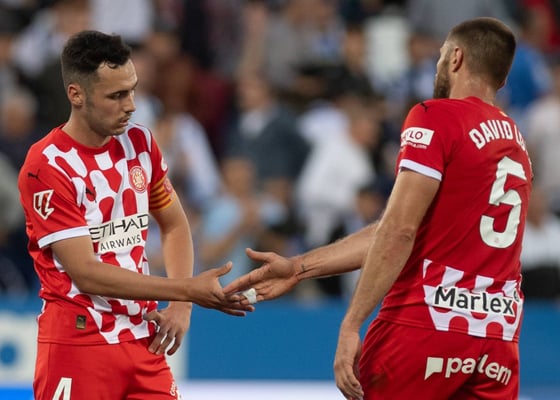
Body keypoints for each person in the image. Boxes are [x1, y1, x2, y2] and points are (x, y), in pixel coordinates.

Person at [225, 17, 532, 399]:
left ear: (456, 58)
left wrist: (351, 324)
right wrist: (300, 268)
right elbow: (401, 228)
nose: (437, 65)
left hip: (425, 322)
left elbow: (399, 229)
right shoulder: (516, 143)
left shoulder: (435, 116)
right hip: (497, 339)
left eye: (440, 56)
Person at [17, 30, 251, 400]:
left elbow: (174, 225)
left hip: (143, 339)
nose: (131, 106)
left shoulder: (139, 142)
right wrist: (186, 289)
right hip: (79, 343)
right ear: (76, 95)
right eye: (116, 95)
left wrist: (181, 306)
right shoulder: (47, 165)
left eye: (132, 91)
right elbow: (86, 272)